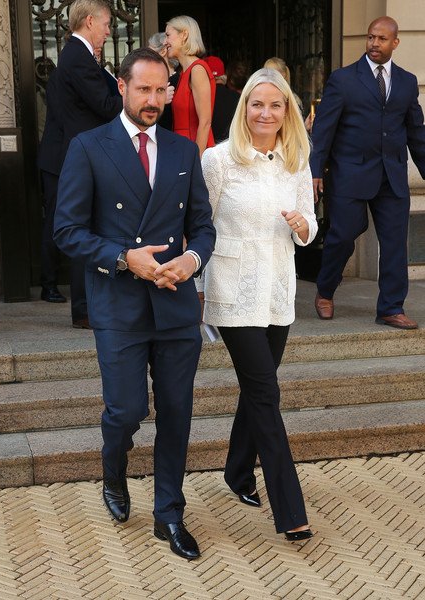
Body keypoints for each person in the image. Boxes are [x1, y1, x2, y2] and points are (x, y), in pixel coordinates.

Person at [54, 47, 216, 560]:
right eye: (143, 89)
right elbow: (67, 231)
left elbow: (205, 227)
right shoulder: (88, 146)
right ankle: (113, 469)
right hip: (118, 305)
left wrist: (191, 261)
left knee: (176, 413)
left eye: (161, 90)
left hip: (175, 306)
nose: (153, 99)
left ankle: (169, 515)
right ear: (121, 87)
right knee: (124, 412)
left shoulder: (183, 150)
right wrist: (125, 258)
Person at [199, 68, 317, 540]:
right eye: (256, 103)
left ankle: (237, 471)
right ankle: (291, 510)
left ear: (286, 111)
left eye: (275, 105)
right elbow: (200, 226)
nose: (265, 113)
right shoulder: (218, 160)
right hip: (231, 288)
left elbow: (309, 226)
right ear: (243, 107)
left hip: (278, 291)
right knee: (267, 394)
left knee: (258, 387)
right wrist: (197, 287)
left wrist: (300, 225)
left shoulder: (296, 160)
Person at [311, 16, 425, 329]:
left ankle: (390, 306)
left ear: (395, 43)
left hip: (392, 175)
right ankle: (325, 290)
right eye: (371, 37)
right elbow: (323, 129)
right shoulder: (343, 79)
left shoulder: (406, 81)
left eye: (382, 39)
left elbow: (416, 132)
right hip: (349, 174)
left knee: (394, 244)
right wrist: (315, 171)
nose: (374, 43)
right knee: (342, 236)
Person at [55, 0, 123, 328]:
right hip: (83, 155)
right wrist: (141, 98)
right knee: (83, 231)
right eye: (108, 24)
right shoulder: (77, 57)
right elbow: (106, 105)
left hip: (83, 152)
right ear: (91, 21)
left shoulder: (82, 56)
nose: (110, 31)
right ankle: (84, 310)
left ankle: (88, 307)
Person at [165, 15, 216, 155]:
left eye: (168, 35)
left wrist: (196, 161)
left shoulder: (197, 70)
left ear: (184, 35)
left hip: (193, 148)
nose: (165, 41)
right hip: (182, 147)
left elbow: (205, 122)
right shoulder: (184, 73)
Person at [37, 67, 67, 304]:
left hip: (58, 158)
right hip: (57, 161)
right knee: (54, 222)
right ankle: (48, 285)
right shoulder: (64, 74)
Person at [148, 31, 180, 131]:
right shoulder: (151, 80)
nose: (147, 57)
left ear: (163, 51)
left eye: (150, 52)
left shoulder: (178, 80)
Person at [204, 55, 239, 143]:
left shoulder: (201, 99)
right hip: (231, 147)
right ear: (224, 76)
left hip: (208, 147)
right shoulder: (237, 97)